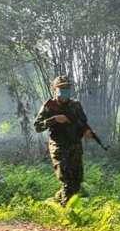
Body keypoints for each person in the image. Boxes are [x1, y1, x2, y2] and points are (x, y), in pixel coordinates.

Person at [33, 75, 94, 206]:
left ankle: (56, 200)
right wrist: (54, 119)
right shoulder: (49, 106)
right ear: (55, 89)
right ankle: (67, 210)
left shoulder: (75, 105)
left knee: (77, 181)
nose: (65, 90)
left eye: (67, 87)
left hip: (75, 145)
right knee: (66, 180)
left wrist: (87, 131)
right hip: (59, 146)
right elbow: (37, 126)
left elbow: (82, 122)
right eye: (62, 88)